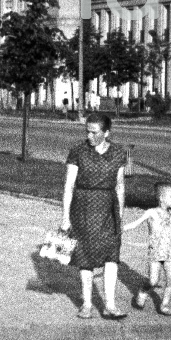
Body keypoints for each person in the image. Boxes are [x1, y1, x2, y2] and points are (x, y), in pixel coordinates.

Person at [60, 112, 132, 319]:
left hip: (108, 209)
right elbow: (68, 186)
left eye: (94, 132)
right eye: (87, 132)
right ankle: (87, 304)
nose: (89, 136)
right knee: (85, 255)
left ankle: (110, 304)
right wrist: (65, 218)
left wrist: (120, 214)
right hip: (83, 208)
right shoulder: (78, 152)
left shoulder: (118, 153)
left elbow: (120, 186)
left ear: (106, 133)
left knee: (112, 255)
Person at [122, 181, 171, 316]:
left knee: (170, 280)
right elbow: (135, 224)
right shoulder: (151, 212)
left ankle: (164, 305)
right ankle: (143, 292)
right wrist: (121, 229)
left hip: (170, 252)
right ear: (161, 198)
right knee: (153, 281)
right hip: (155, 252)